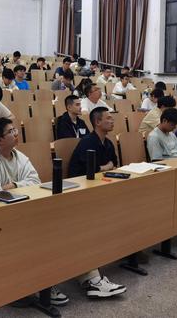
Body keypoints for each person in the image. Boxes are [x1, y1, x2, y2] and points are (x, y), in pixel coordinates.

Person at [0, 118, 69, 306]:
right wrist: (19, 187)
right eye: (11, 131)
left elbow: (35, 181)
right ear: (0, 139)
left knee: (53, 226)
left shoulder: (20, 156)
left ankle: (43, 282)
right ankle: (33, 284)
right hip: (0, 217)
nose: (16, 134)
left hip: (25, 208)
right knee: (34, 235)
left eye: (15, 130)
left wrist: (13, 185)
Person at [64, 107, 128, 299]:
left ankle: (130, 248)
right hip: (80, 191)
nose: (112, 121)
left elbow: (114, 165)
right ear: (97, 122)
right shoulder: (87, 142)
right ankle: (92, 278)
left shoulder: (108, 142)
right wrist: (105, 167)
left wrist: (104, 168)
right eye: (108, 118)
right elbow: (87, 171)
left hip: (101, 187)